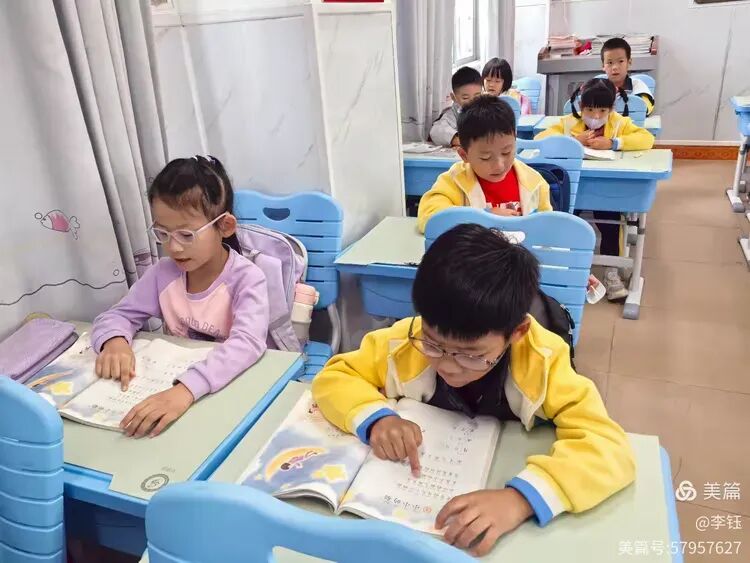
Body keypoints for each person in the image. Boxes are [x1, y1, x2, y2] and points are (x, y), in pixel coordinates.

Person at [312, 224, 635, 556]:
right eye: (434, 345)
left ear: (517, 332)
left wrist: (521, 499)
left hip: (503, 489)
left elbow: (609, 447)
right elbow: (336, 376)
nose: (449, 365)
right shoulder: (403, 341)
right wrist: (377, 418)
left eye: (472, 355)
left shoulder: (544, 363)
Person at [91, 156, 269, 438]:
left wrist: (186, 390)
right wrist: (114, 341)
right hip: (177, 386)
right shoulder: (163, 274)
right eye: (163, 233)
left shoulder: (247, 278)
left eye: (186, 235)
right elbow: (118, 315)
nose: (173, 247)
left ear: (224, 226)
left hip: (228, 385)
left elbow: (247, 343)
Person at [535, 78, 654, 301]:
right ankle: (568, 270)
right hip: (573, 187)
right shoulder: (569, 123)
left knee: (610, 224)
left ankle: (611, 271)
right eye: (590, 110)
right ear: (581, 107)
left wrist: (614, 143)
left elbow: (646, 138)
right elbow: (540, 138)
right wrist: (573, 140)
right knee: (568, 223)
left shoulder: (618, 123)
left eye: (602, 111)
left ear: (611, 109)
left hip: (605, 189)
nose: (596, 116)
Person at [418, 95, 551, 233]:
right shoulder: (454, 181)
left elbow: (548, 228)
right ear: (464, 155)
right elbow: (430, 219)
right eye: (486, 158)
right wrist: (484, 218)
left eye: (506, 152)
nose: (499, 165)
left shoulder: (534, 182)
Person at [429, 66, 483, 147]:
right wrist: (456, 140)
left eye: (477, 97)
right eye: (465, 98)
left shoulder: (487, 109)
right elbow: (436, 131)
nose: (472, 102)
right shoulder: (452, 114)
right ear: (454, 97)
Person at [601, 37, 655, 116]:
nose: (615, 67)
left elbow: (646, 109)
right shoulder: (598, 87)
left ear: (629, 63)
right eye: (610, 62)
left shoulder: (638, 86)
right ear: (603, 66)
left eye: (620, 61)